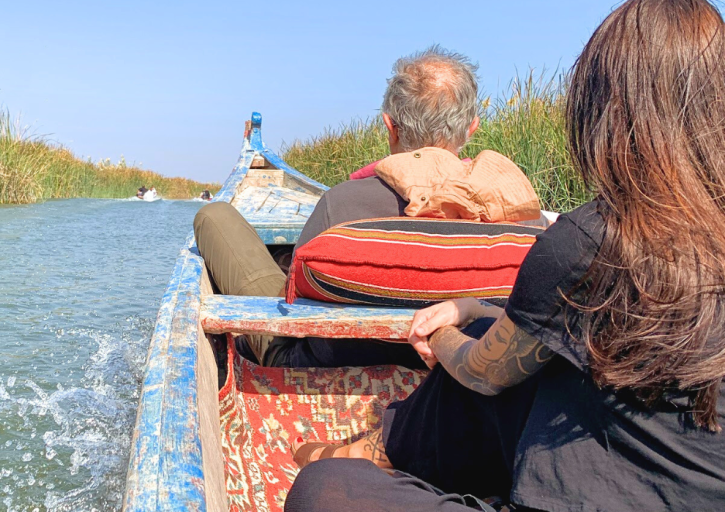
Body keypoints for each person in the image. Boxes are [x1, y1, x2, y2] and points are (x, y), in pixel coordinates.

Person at [285, 1, 725, 511]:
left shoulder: (592, 240)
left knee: (322, 493)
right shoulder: (583, 232)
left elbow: (480, 370)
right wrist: (474, 309)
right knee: (497, 341)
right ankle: (380, 447)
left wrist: (442, 331)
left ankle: (372, 451)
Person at [194, 46, 483, 368]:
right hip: (452, 364)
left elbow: (296, 299)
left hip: (310, 362)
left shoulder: (342, 203)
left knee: (213, 215)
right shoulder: (513, 214)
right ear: (472, 127)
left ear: (389, 125)